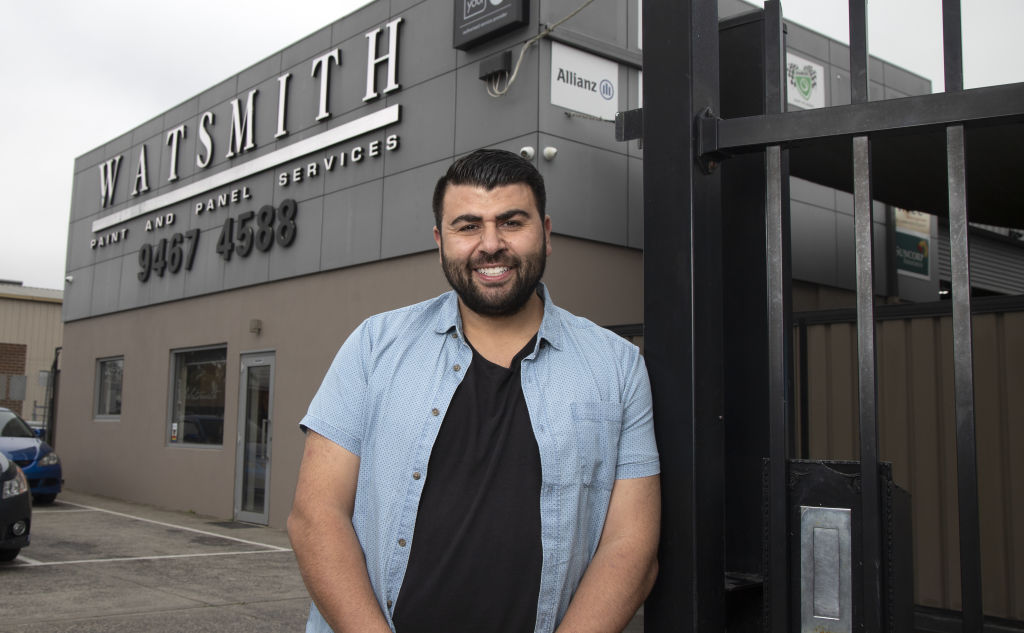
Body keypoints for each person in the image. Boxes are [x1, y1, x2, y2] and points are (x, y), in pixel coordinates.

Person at [288, 148, 660, 633]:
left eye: (511, 222)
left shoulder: (616, 366)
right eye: (468, 226)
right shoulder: (374, 346)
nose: (491, 244)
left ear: (545, 235)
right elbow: (316, 516)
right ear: (440, 241)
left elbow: (631, 548)